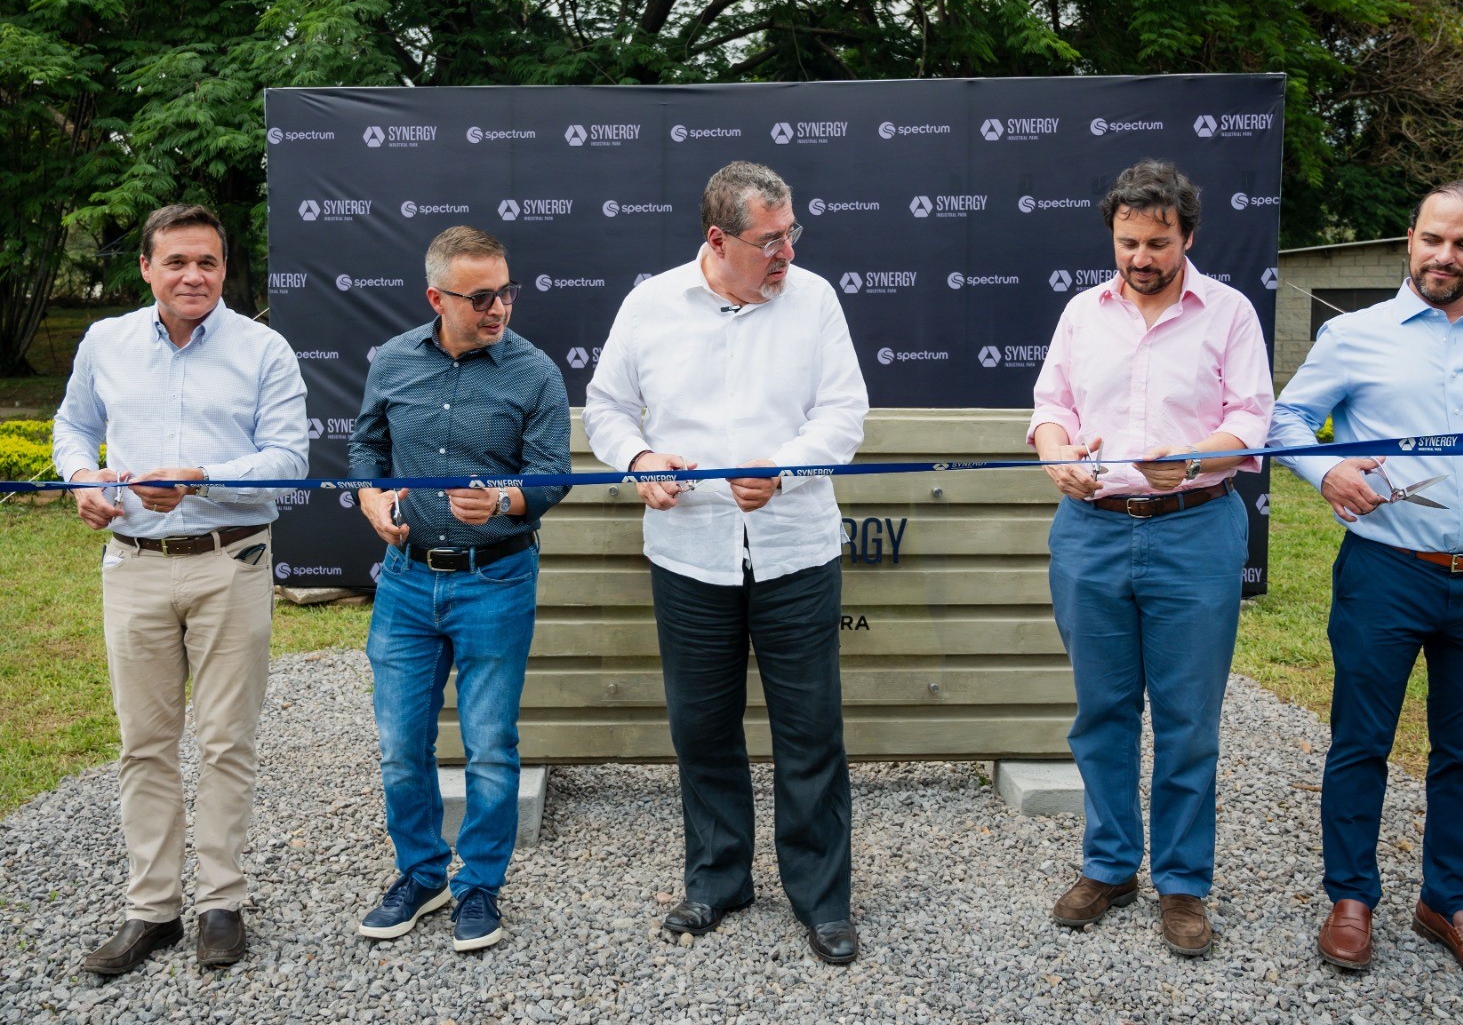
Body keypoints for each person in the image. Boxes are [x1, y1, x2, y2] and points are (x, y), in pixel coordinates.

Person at [1269, 178, 1463, 986]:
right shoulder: (1354, 336)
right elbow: (1286, 423)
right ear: (1411, 238)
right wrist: (1328, 472)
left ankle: (1451, 904)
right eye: (1433, 239)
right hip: (1385, 573)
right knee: (1361, 741)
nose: (1445, 256)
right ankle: (1351, 899)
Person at [582, 161, 869, 964]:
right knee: (701, 726)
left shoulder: (814, 300)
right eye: (769, 241)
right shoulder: (650, 305)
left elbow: (846, 413)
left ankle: (822, 897)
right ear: (718, 239)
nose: (786, 254)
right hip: (689, 555)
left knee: (810, 729)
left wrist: (787, 467)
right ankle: (717, 880)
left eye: (791, 235)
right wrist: (638, 457)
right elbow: (605, 408)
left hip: (796, 551)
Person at [53, 204, 309, 974]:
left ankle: (220, 903)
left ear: (224, 269)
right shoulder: (107, 342)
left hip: (229, 562)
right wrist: (82, 476)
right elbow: (72, 424)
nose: (192, 275)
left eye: (207, 262)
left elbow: (289, 461)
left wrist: (203, 478)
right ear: (146, 269)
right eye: (176, 263)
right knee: (144, 745)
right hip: (132, 563)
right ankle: (151, 910)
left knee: (227, 739)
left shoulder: (265, 349)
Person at [1028, 159, 1272, 957]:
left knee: (1188, 720)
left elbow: (1252, 417)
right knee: (1100, 713)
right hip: (1091, 529)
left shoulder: (1229, 312)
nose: (1141, 257)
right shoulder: (1080, 313)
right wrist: (1058, 453)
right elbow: (1051, 407)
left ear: (1187, 236)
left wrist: (1198, 457)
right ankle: (1109, 865)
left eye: (1158, 242)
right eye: (1128, 241)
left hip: (1194, 530)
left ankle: (1181, 883)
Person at [348, 225, 571, 953]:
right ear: (435, 297)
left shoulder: (534, 372)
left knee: (489, 746)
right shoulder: (392, 363)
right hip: (407, 584)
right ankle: (422, 876)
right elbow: (366, 447)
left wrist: (507, 501)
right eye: (480, 297)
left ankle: (479, 885)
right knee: (399, 745)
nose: (499, 307)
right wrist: (371, 498)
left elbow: (550, 476)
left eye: (506, 291)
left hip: (497, 579)